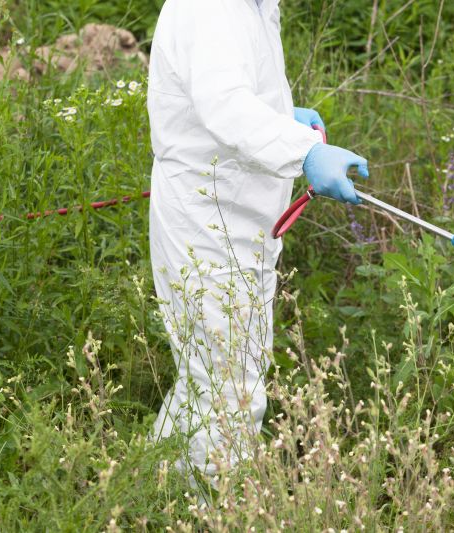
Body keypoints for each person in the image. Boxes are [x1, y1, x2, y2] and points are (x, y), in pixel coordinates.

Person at [146, 0, 368, 483]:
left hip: (241, 216)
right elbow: (224, 103)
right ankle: (211, 508)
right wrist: (304, 150)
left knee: (211, 375)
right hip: (207, 220)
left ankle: (149, 492)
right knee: (228, 393)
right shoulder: (212, 7)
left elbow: (235, 87)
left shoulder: (256, 6)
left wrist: (282, 114)